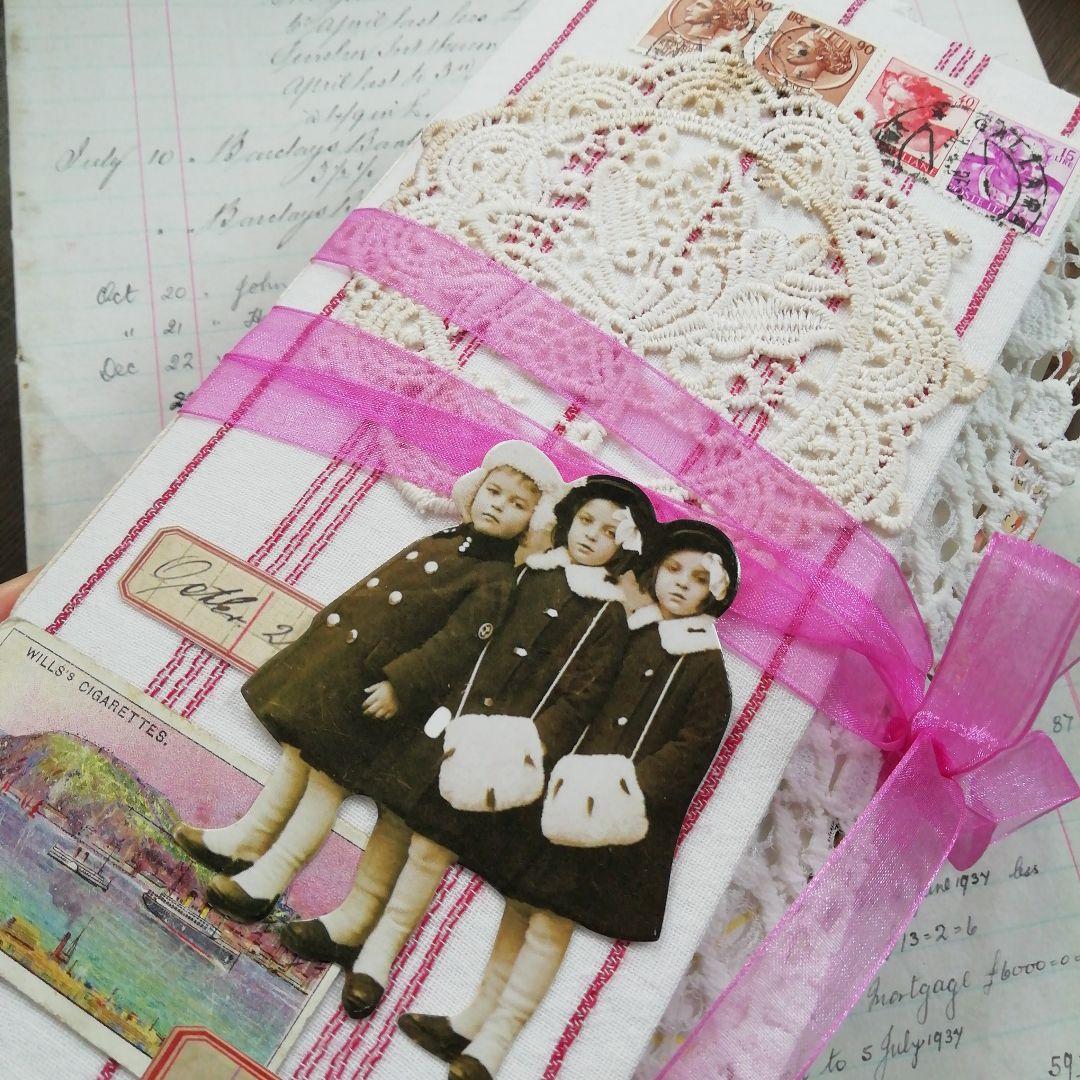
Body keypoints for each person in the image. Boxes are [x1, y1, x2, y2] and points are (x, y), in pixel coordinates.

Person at [287, 476, 656, 1020]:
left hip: (499, 752)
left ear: (622, 548)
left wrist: (530, 745)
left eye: (607, 533)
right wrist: (436, 700)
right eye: (585, 522)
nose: (590, 536)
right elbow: (473, 636)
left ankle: (380, 955)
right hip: (449, 720)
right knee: (396, 817)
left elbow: (582, 700)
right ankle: (352, 920)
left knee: (433, 846)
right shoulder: (529, 573)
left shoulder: (609, 618)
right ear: (567, 519)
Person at [171, 441, 565, 930]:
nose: (498, 505)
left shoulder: (496, 579)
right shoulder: (448, 540)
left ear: (530, 523)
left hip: (379, 693)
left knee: (325, 785)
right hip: (349, 672)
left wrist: (400, 685)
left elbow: (455, 646)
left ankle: (267, 882)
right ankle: (246, 840)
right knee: (296, 756)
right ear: (476, 488)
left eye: (516, 504)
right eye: (494, 491)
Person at [398, 518, 739, 1080]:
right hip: (558, 797)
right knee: (521, 901)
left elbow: (691, 750)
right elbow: (582, 694)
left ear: (716, 594)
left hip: (608, 816)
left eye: (698, 578)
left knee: (552, 922)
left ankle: (493, 1046)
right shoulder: (628, 631)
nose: (680, 583)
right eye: (673, 569)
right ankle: (474, 1020)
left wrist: (627, 786)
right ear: (654, 571)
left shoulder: (706, 669)